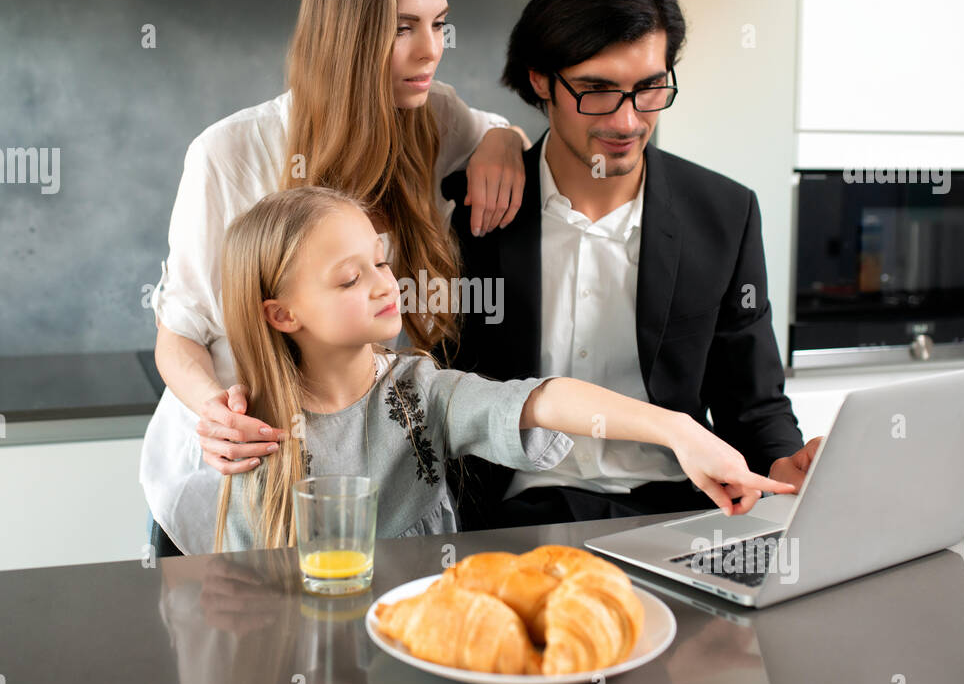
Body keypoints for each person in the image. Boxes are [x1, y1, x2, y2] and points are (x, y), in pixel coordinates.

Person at [140, 0, 534, 556]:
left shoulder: (433, 114)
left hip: (363, 485)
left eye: (438, 23)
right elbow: (178, 333)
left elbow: (502, 130)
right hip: (240, 481)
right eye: (403, 27)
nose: (430, 48)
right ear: (345, 30)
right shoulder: (230, 152)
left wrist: (502, 141)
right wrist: (216, 411)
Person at [437, 0, 824, 530]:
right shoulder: (476, 212)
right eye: (597, 89)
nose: (627, 122)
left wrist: (782, 461)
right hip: (515, 514)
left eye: (649, 88)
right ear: (541, 79)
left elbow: (753, 403)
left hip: (682, 511)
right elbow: (444, 394)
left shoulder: (724, 214)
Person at [210, 186, 795, 552]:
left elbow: (541, 399)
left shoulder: (422, 393)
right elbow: (247, 602)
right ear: (282, 314)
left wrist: (679, 430)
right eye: (349, 278)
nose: (385, 284)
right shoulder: (252, 436)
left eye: (382, 263)